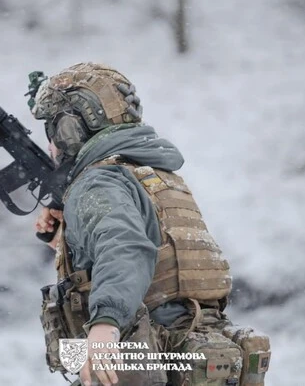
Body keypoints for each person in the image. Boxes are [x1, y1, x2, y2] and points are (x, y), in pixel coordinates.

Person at [32, 63, 270, 386]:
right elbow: (156, 265)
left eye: (52, 130)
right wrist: (68, 237)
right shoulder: (158, 179)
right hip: (198, 359)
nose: (51, 145)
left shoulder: (97, 184)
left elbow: (125, 247)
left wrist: (105, 324)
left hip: (144, 361)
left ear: (71, 130)